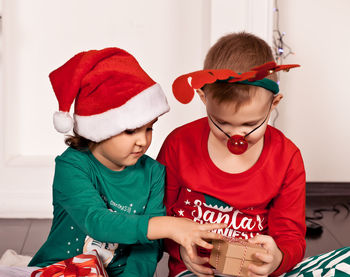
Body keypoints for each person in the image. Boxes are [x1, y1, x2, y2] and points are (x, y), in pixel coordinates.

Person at [0, 48, 226, 277]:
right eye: (130, 131)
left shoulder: (153, 173)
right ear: (99, 129)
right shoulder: (72, 166)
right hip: (60, 269)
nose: (143, 141)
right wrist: (168, 225)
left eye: (149, 128)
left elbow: (148, 248)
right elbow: (97, 222)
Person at [157, 32, 306, 277]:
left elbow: (291, 237)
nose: (237, 135)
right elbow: (157, 217)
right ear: (204, 98)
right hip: (196, 271)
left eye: (250, 124)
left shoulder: (287, 157)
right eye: (223, 124)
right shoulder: (179, 145)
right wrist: (181, 249)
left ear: (274, 103)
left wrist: (277, 258)